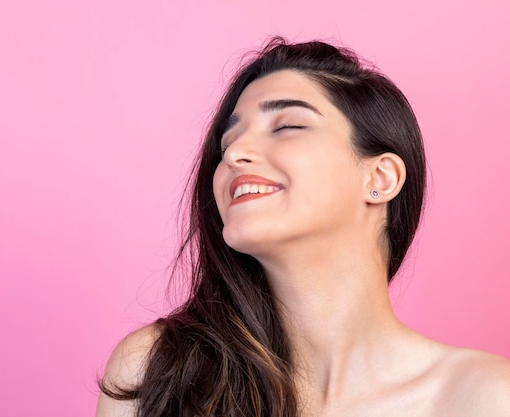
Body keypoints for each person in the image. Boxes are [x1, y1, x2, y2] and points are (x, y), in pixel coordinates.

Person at [96, 38, 510, 417]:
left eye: (287, 126)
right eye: (227, 144)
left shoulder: (485, 397)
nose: (236, 153)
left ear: (380, 179)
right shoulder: (158, 371)